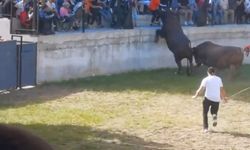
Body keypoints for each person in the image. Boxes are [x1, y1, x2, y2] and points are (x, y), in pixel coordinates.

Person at [192, 67, 228, 133]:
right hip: (216, 99)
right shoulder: (219, 79)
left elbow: (201, 89)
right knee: (214, 112)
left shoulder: (205, 79)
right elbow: (221, 89)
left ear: (208, 72)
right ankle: (214, 116)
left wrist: (195, 96)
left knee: (205, 113)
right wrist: (224, 98)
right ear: (214, 72)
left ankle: (205, 128)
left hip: (208, 98)